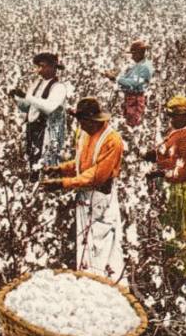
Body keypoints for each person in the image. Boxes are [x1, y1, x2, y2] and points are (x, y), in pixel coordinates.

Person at [42, 97, 125, 283]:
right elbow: (81, 164)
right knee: (85, 244)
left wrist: (63, 183)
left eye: (83, 121)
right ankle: (88, 282)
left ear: (92, 120)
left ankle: (106, 287)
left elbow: (96, 175)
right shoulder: (84, 133)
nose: (80, 125)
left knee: (102, 246)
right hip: (84, 196)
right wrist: (60, 169)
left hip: (101, 198)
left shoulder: (112, 140)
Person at [144, 95, 186, 281]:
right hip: (171, 188)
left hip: (181, 188)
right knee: (171, 225)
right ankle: (174, 266)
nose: (172, 120)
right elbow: (167, 155)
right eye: (171, 116)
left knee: (184, 227)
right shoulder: (174, 134)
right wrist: (153, 156)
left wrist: (161, 173)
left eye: (176, 116)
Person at [9, 52, 67, 179]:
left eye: (42, 66)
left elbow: (48, 107)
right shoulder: (36, 84)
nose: (39, 71)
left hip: (48, 131)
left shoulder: (59, 88)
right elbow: (28, 107)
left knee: (45, 163)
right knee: (33, 160)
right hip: (33, 128)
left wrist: (27, 96)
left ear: (53, 67)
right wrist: (16, 98)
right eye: (38, 67)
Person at [103, 40, 153, 127]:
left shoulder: (145, 67)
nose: (132, 57)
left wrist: (115, 78)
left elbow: (134, 83)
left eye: (134, 54)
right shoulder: (137, 65)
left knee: (133, 123)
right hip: (130, 98)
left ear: (139, 53)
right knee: (127, 121)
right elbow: (127, 79)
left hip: (135, 100)